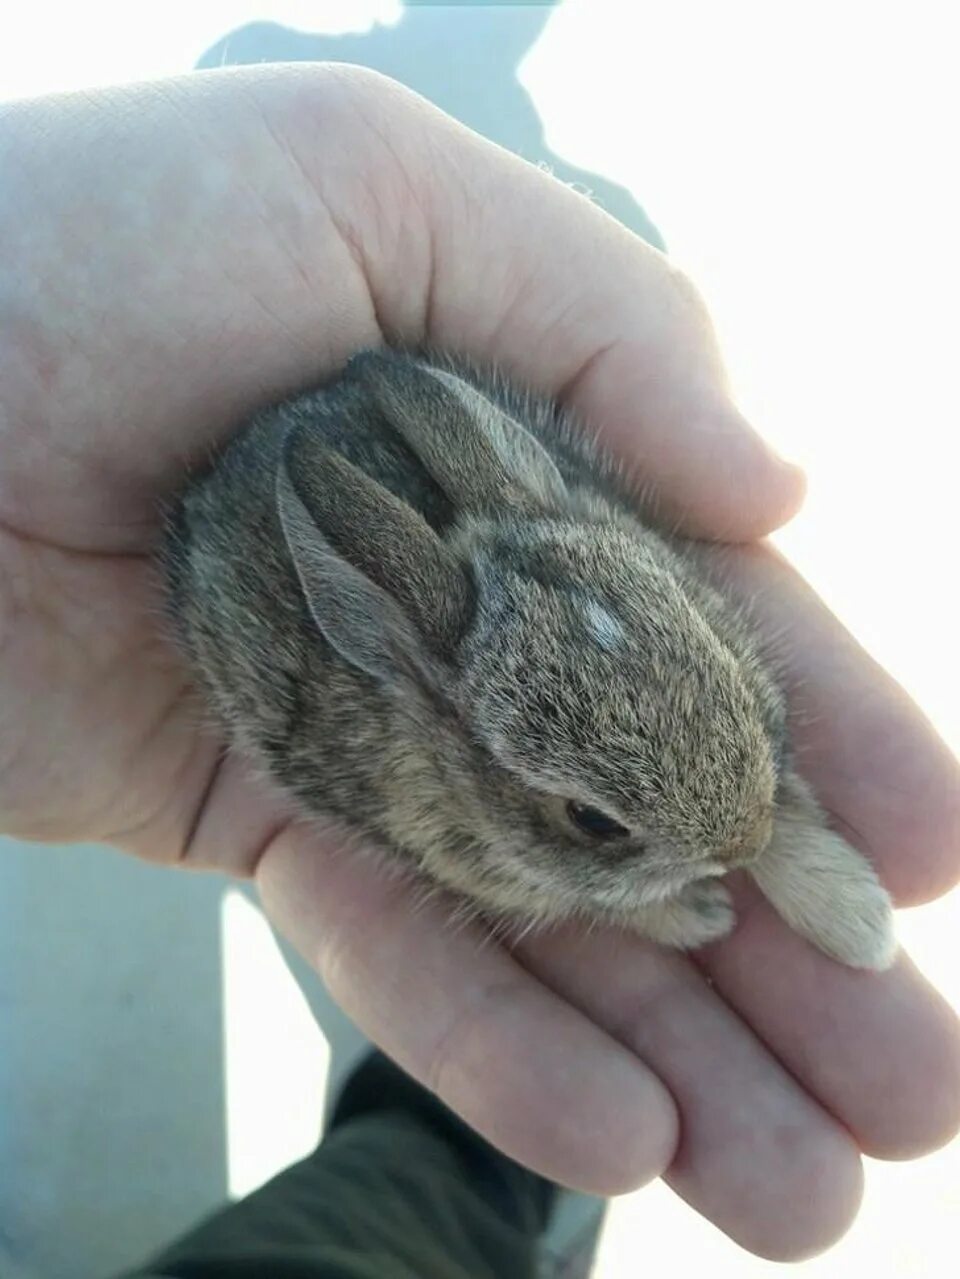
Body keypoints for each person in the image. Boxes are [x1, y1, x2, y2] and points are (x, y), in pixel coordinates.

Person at [1, 63, 959, 1273]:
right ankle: (456, 1166)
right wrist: (646, 896)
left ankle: (448, 1161)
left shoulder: (579, 529)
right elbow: (480, 847)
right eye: (590, 820)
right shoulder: (428, 758)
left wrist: (754, 815)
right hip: (319, 576)